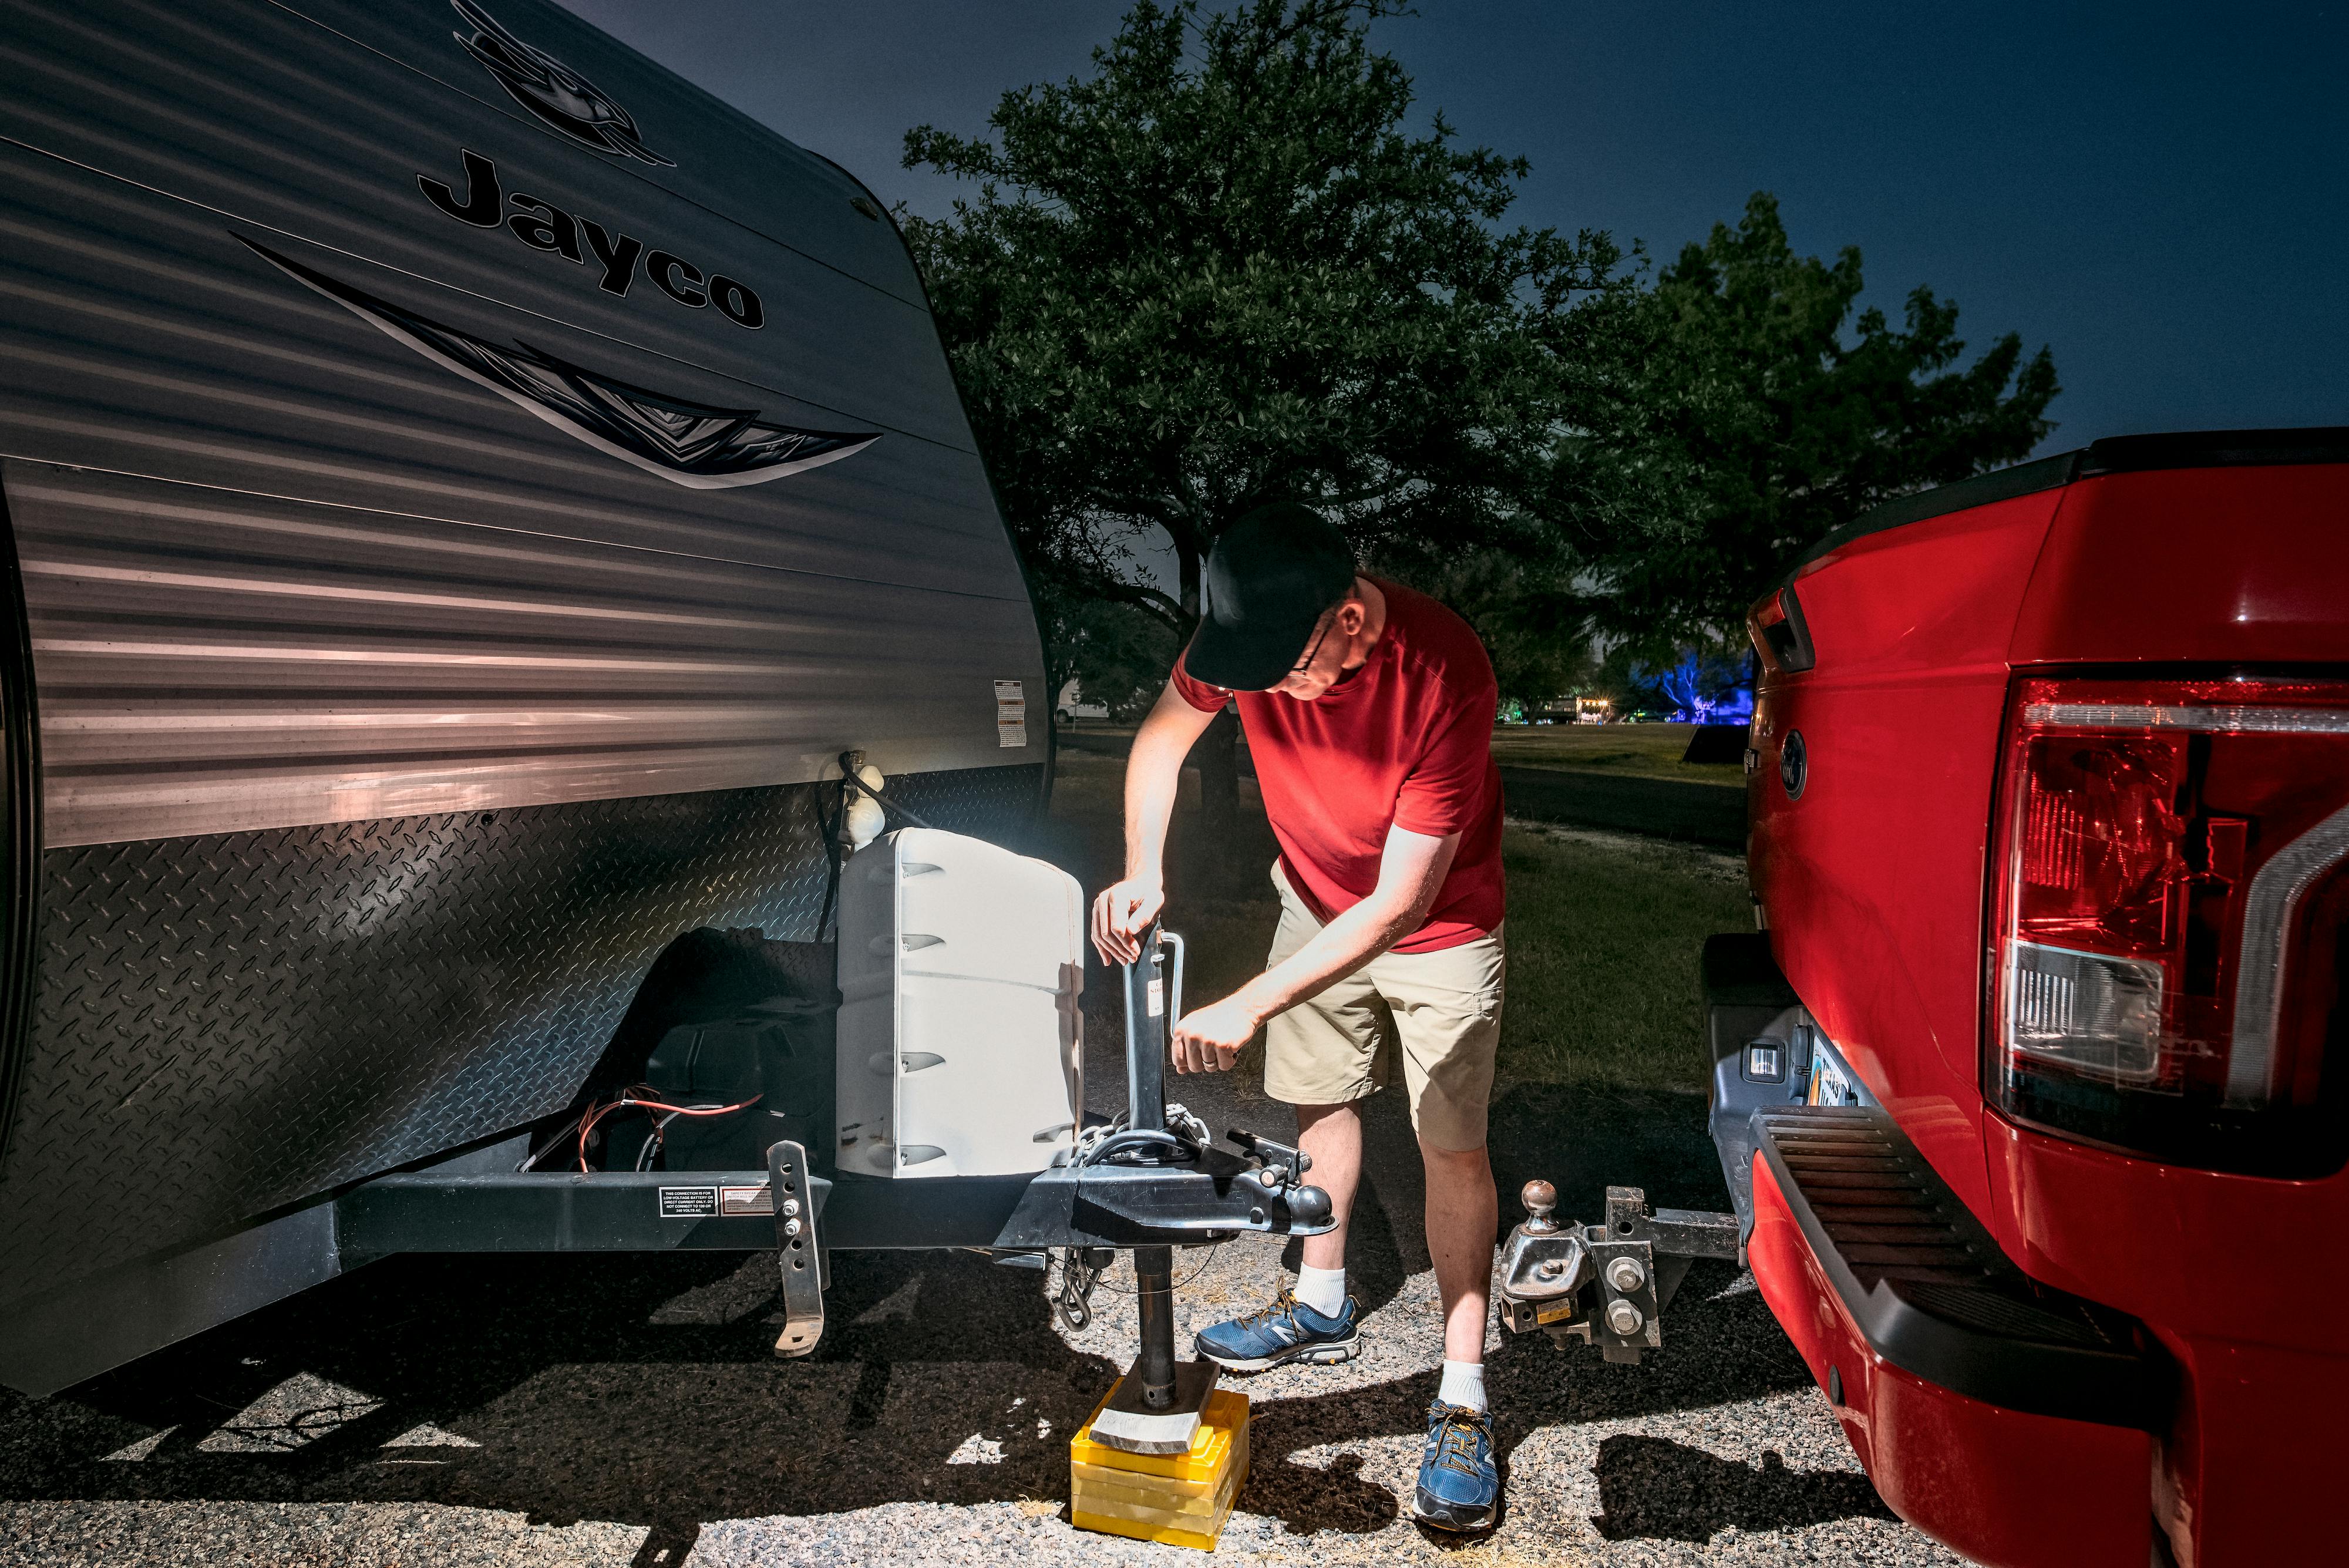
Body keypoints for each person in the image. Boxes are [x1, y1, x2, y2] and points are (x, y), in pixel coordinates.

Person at [1089, 500, 1507, 1533]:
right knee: (1316, 1099)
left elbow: (1403, 901)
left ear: (1353, 621)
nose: (1269, 690)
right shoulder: (1247, 642)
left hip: (1438, 927)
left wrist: (1249, 1000)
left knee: (1449, 1141)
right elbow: (1159, 740)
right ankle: (1321, 1304)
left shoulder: (1448, 669)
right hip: (1314, 898)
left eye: (1288, 668)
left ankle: (1462, 1395)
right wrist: (1145, 865)